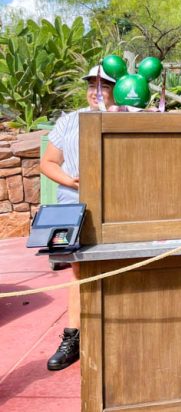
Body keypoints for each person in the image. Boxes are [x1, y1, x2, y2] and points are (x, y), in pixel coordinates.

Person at [40, 66, 116, 370]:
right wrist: (71, 181)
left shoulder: (126, 116)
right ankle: (74, 338)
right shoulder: (69, 121)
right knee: (77, 272)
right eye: (91, 84)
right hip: (75, 206)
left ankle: (114, 335)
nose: (96, 90)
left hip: (115, 209)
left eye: (105, 85)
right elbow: (49, 162)